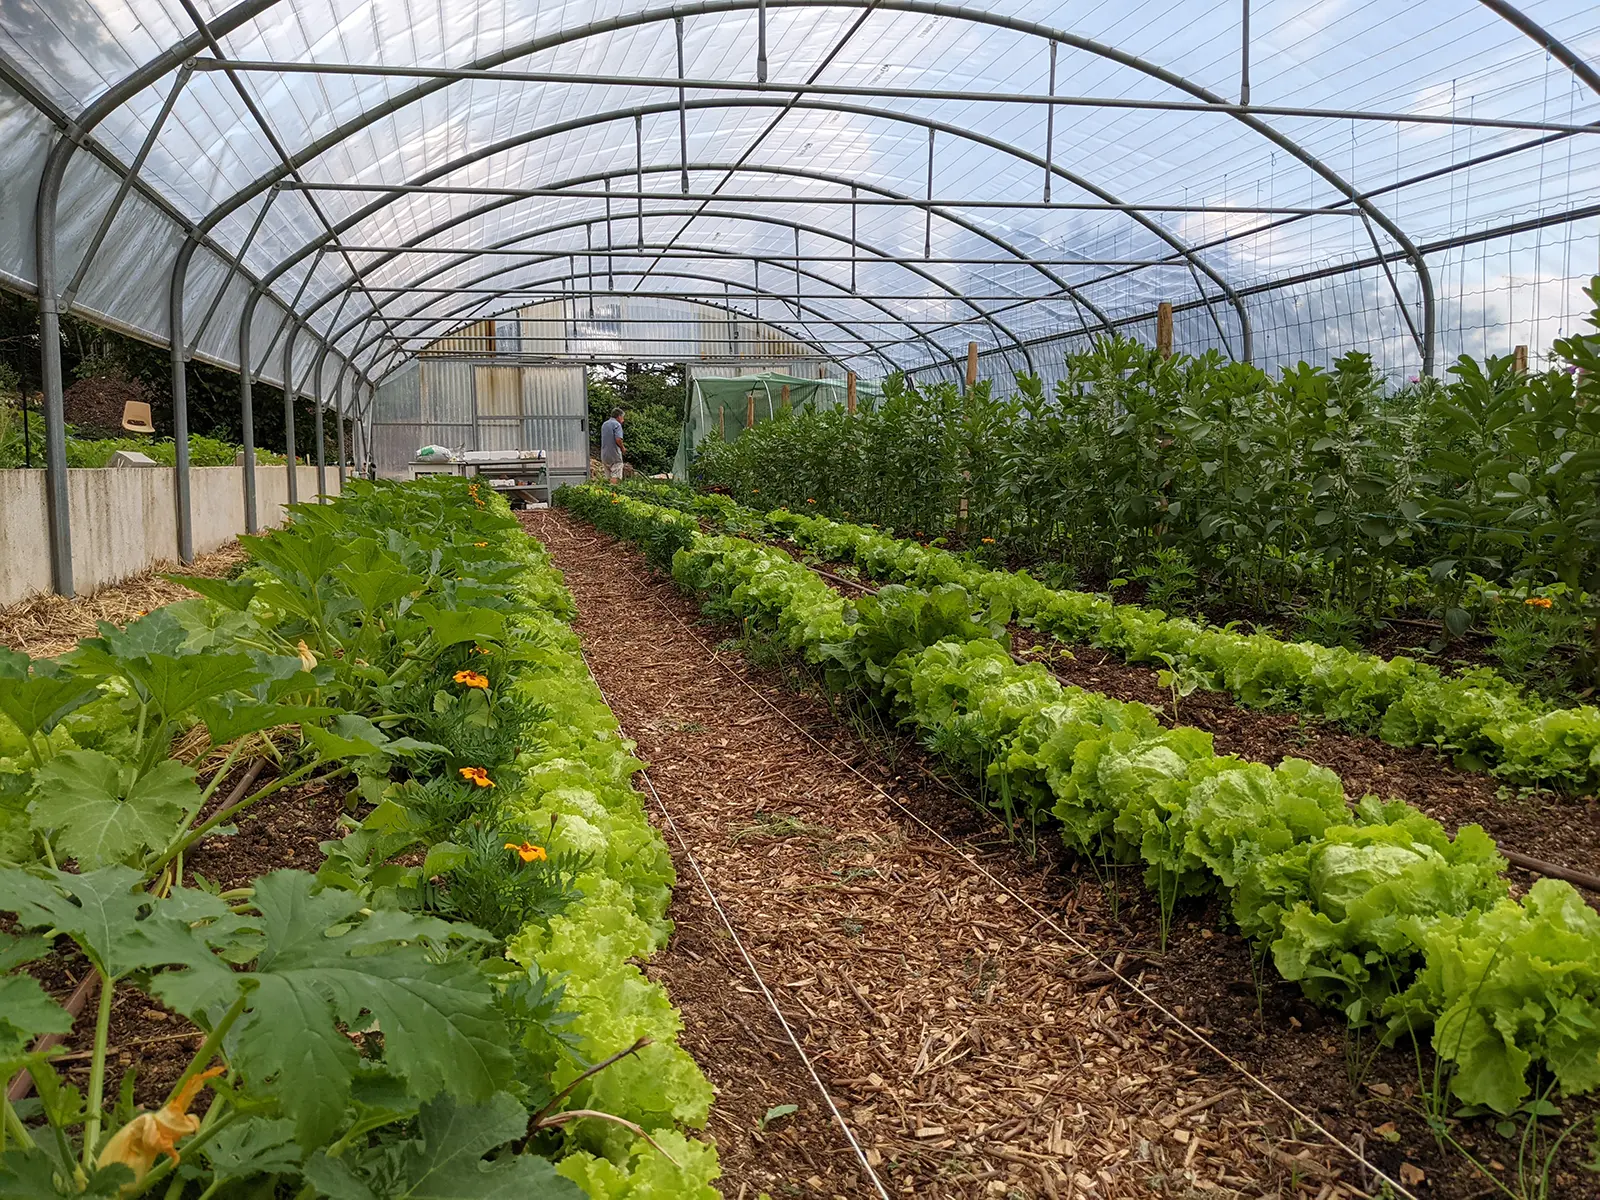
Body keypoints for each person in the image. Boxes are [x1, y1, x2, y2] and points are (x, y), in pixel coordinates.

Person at [599, 407, 625, 482]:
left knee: (608, 477)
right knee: (616, 475)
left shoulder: (605, 424)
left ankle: (608, 492)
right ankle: (614, 491)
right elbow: (618, 439)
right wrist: (622, 448)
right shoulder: (617, 425)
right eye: (622, 417)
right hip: (614, 455)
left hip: (604, 455)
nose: (623, 420)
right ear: (619, 416)